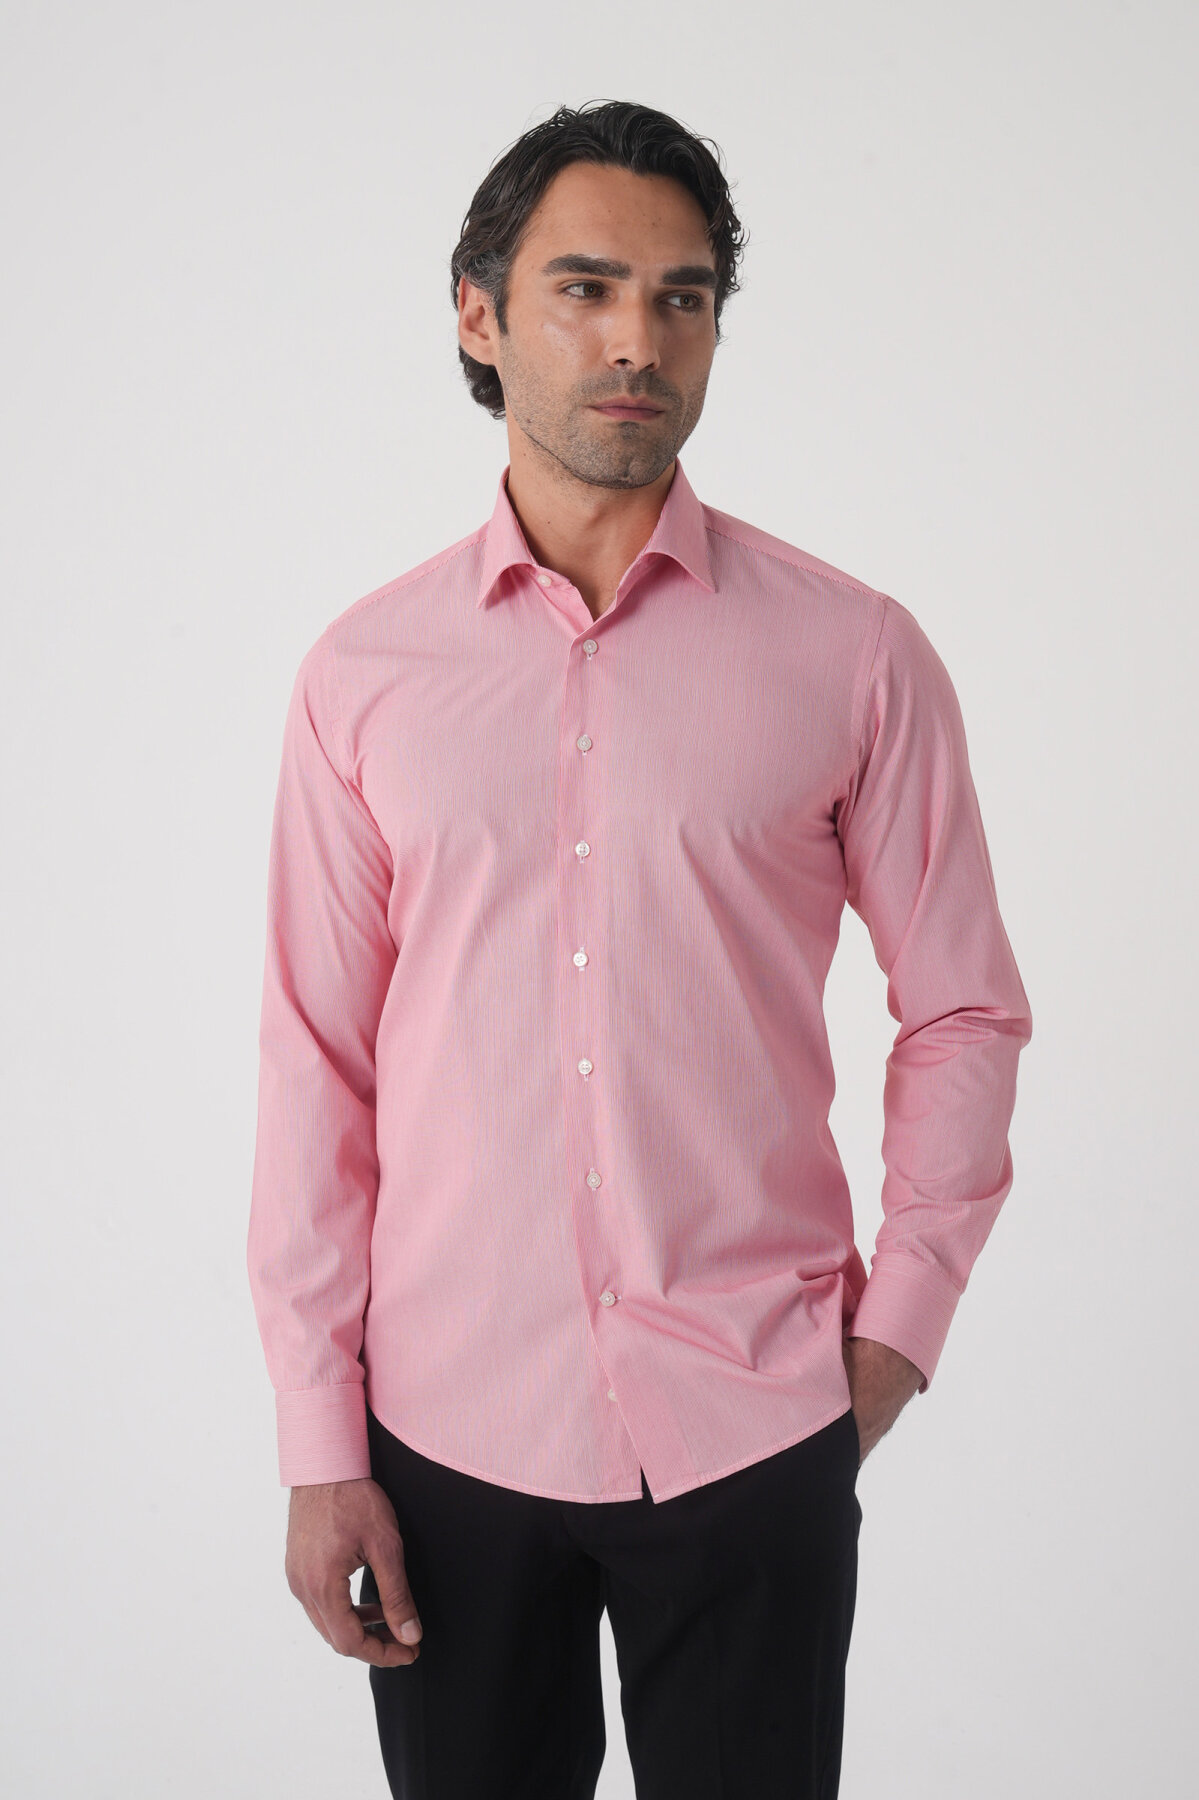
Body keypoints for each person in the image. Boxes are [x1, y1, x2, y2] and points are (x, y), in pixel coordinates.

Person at [246, 98, 1033, 1800]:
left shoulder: (855, 656)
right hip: (445, 1436)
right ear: (478, 313)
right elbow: (316, 1065)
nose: (638, 341)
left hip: (754, 1421)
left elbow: (964, 1008)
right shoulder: (363, 679)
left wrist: (895, 1333)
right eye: (586, 288)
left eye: (683, 298)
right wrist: (319, 1437)